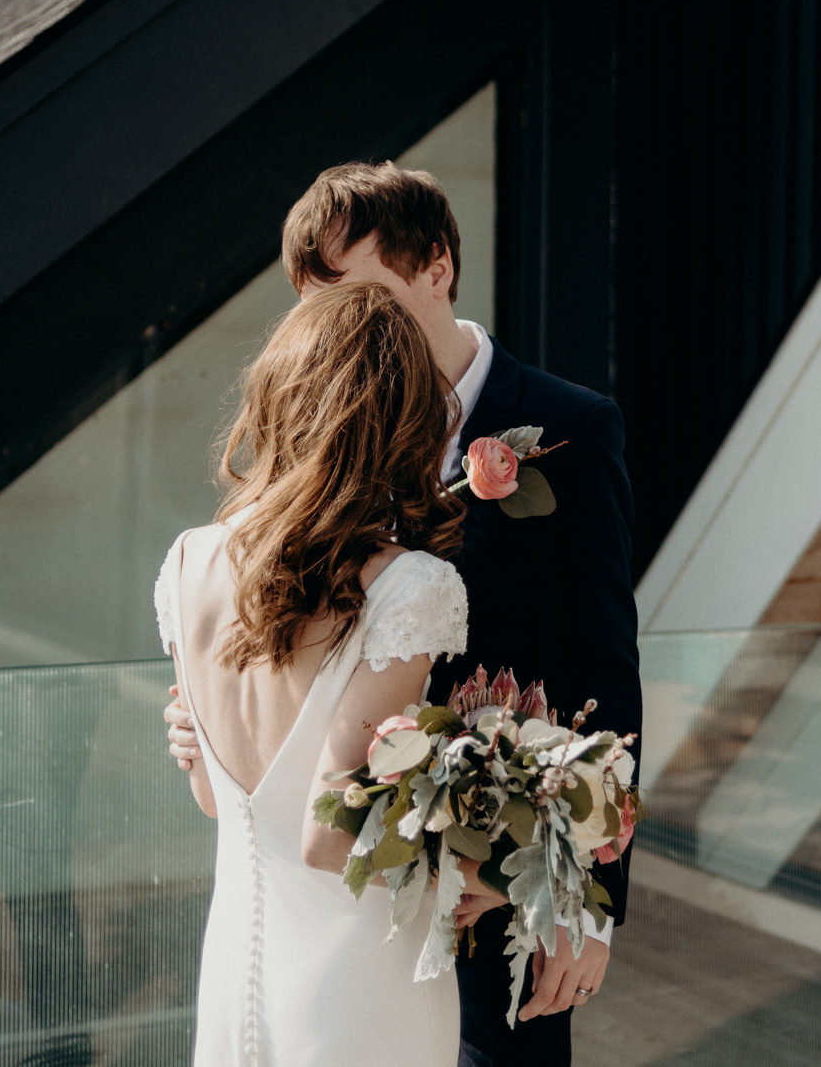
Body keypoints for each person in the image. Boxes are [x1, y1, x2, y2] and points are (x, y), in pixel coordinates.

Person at [167, 162, 641, 1067]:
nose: (341, 330)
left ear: (437, 267)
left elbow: (604, 678)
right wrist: (210, 723)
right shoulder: (313, 441)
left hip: (499, 895)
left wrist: (577, 894)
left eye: (363, 295)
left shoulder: (573, 427)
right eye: (318, 307)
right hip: (351, 901)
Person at [156, 281, 502, 1066]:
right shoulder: (409, 587)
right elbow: (330, 834)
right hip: (359, 988)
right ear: (400, 420)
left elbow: (215, 796)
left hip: (236, 971)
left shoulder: (186, 561)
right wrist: (490, 865)